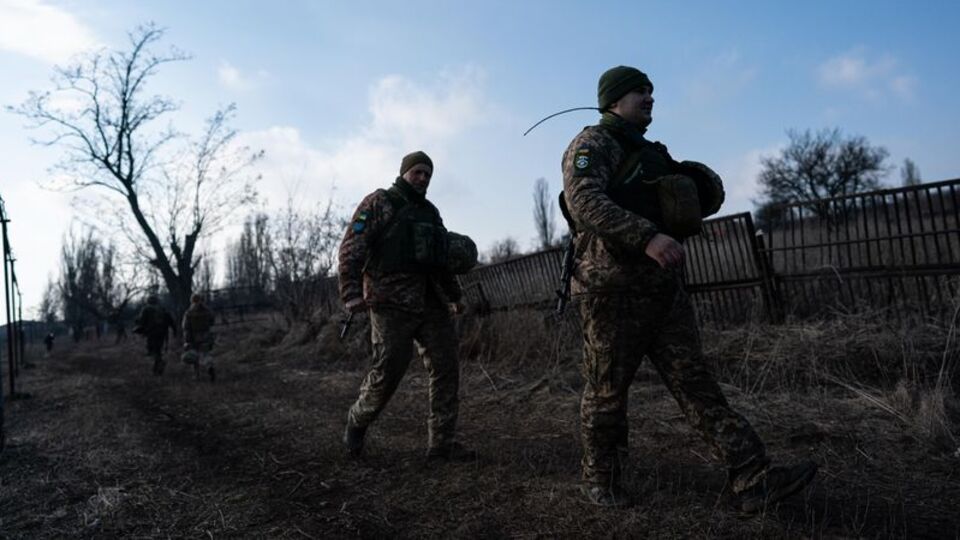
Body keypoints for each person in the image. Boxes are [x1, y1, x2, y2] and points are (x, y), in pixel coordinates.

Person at [560, 65, 817, 511]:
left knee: (696, 382)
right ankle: (602, 481)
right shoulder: (591, 144)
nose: (650, 98)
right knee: (607, 390)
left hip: (661, 289)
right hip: (611, 291)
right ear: (614, 99)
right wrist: (647, 236)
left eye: (651, 90)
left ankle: (752, 477)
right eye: (640, 91)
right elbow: (584, 202)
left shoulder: (653, 153)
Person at [339, 150, 474, 461]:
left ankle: (441, 445)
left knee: (446, 369)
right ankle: (356, 422)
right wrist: (350, 293)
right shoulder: (380, 202)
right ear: (404, 173)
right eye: (417, 172)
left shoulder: (430, 212)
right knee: (387, 374)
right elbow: (351, 247)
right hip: (390, 304)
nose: (423, 178)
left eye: (428, 173)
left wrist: (454, 296)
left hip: (430, 303)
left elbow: (440, 261)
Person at [134, 295, 177, 376]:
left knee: (152, 350)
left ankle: (159, 364)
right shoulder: (162, 309)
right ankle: (157, 368)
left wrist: (138, 326)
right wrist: (174, 332)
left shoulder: (146, 309)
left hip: (151, 333)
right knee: (158, 350)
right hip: (162, 334)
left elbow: (141, 321)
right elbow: (171, 321)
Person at [182, 294, 217, 382]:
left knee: (194, 356)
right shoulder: (207, 311)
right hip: (206, 336)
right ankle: (209, 366)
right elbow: (212, 322)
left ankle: (197, 375)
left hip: (193, 338)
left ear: (192, 300)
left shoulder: (189, 312)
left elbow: (185, 327)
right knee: (205, 354)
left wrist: (186, 340)